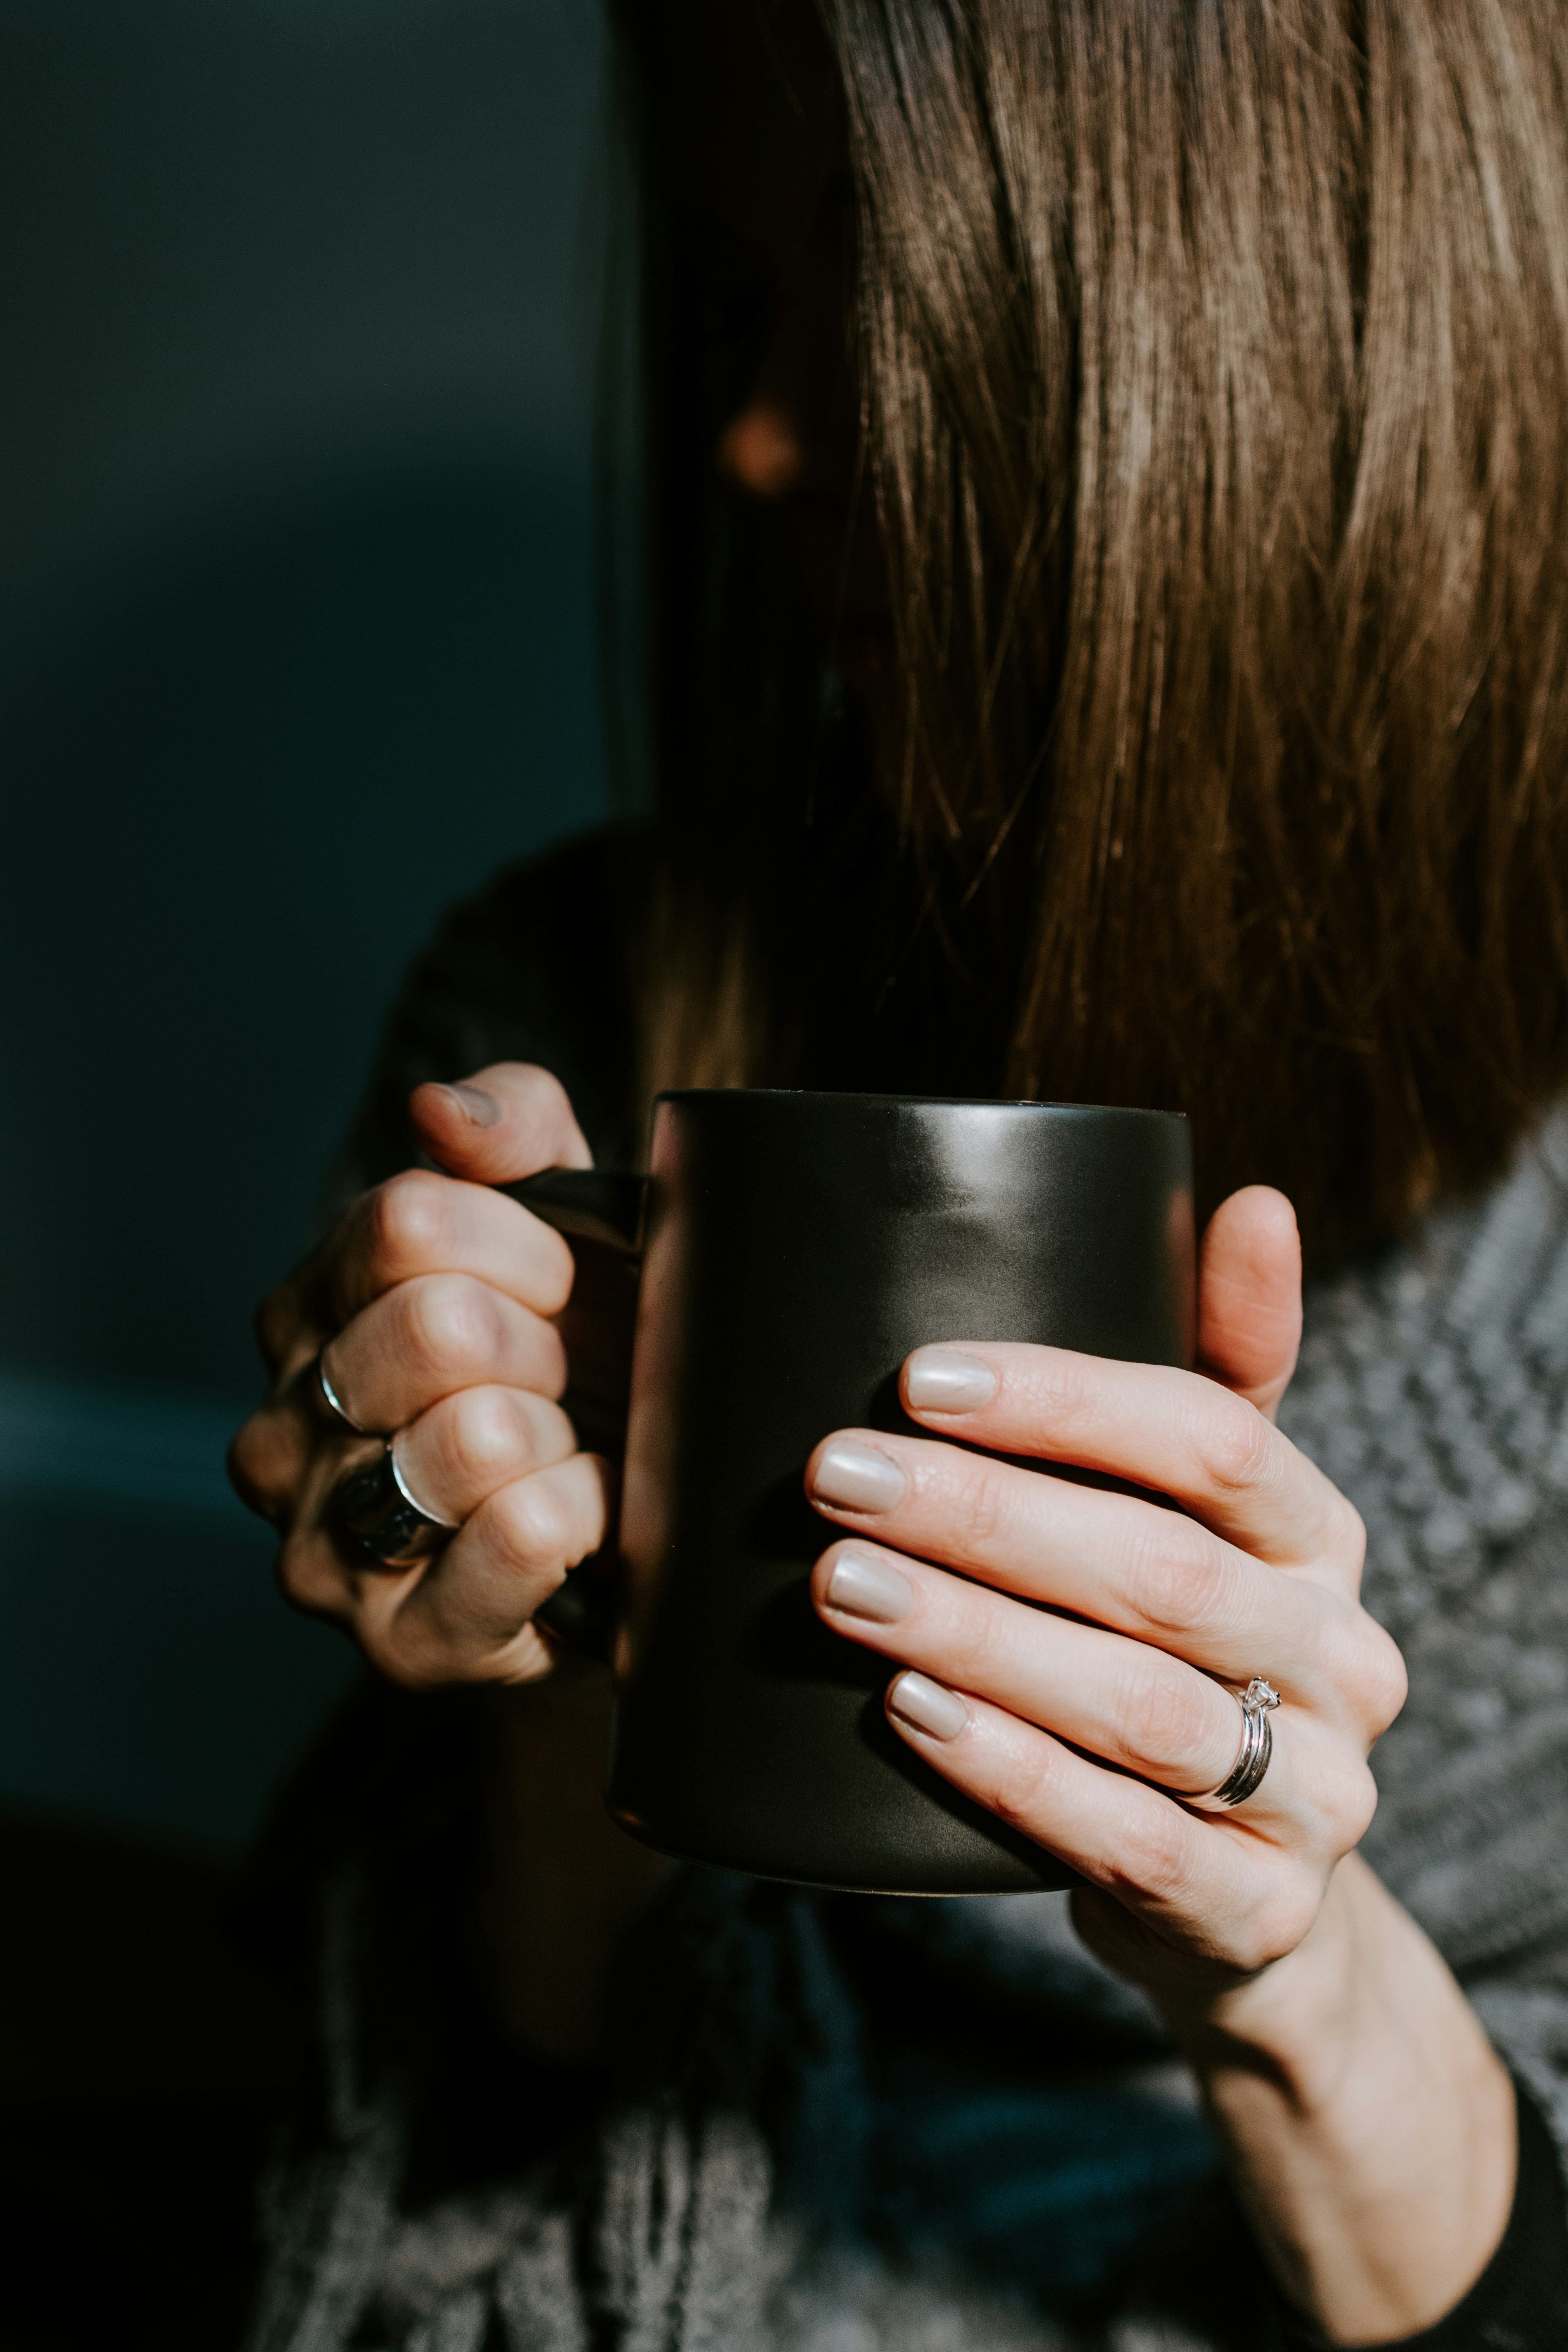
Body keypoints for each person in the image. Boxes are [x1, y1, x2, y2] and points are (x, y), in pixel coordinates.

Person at [228, 2, 1568, 2345]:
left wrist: (1290, 1978)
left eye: (896, 311)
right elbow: (401, 2219)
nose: (755, 438)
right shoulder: (563, 1016)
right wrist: (563, 1695)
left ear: (1294, 334)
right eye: (745, 302)